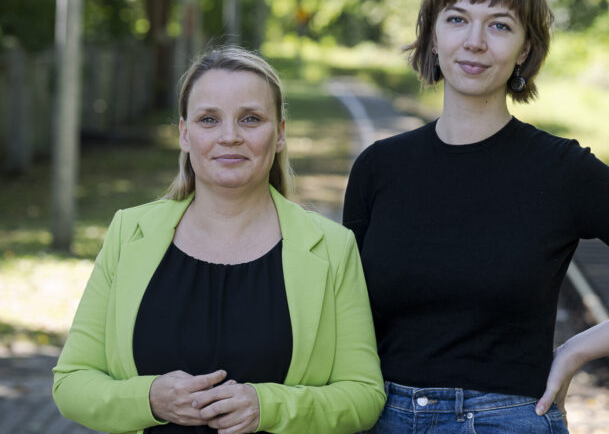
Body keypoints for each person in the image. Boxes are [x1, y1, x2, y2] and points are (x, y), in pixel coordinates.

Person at [343, 0, 609, 433]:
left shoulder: (564, 170)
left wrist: (576, 349)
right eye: (457, 19)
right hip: (385, 418)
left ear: (524, 48)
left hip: (509, 419)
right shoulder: (380, 168)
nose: (475, 42)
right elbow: (347, 312)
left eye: (499, 25)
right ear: (433, 37)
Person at [53, 47, 385, 434]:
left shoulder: (332, 246)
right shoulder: (130, 233)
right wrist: (150, 398)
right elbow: (71, 382)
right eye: (209, 119)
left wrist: (269, 407)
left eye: (251, 119)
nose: (230, 137)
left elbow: (364, 395)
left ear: (279, 134)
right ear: (184, 134)